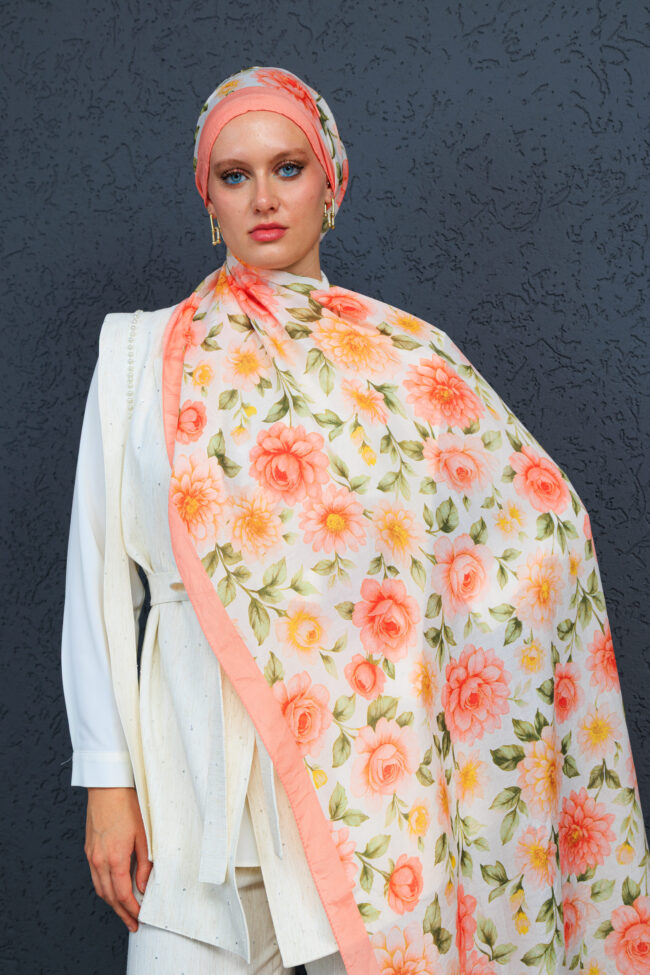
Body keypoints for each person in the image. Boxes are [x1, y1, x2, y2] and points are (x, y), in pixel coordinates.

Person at [61, 65, 649, 975]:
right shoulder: (139, 352)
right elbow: (97, 574)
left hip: (368, 790)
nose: (263, 198)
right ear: (208, 197)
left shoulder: (407, 361)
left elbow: (533, 528)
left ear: (330, 182)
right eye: (235, 175)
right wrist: (108, 778)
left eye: (288, 168)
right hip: (194, 780)